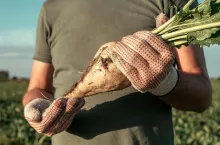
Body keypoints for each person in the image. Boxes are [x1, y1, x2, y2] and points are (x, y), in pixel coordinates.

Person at [22, 0, 212, 145]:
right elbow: (37, 87)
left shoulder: (174, 2)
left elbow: (202, 96)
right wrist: (36, 106)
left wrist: (166, 82)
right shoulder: (52, 8)